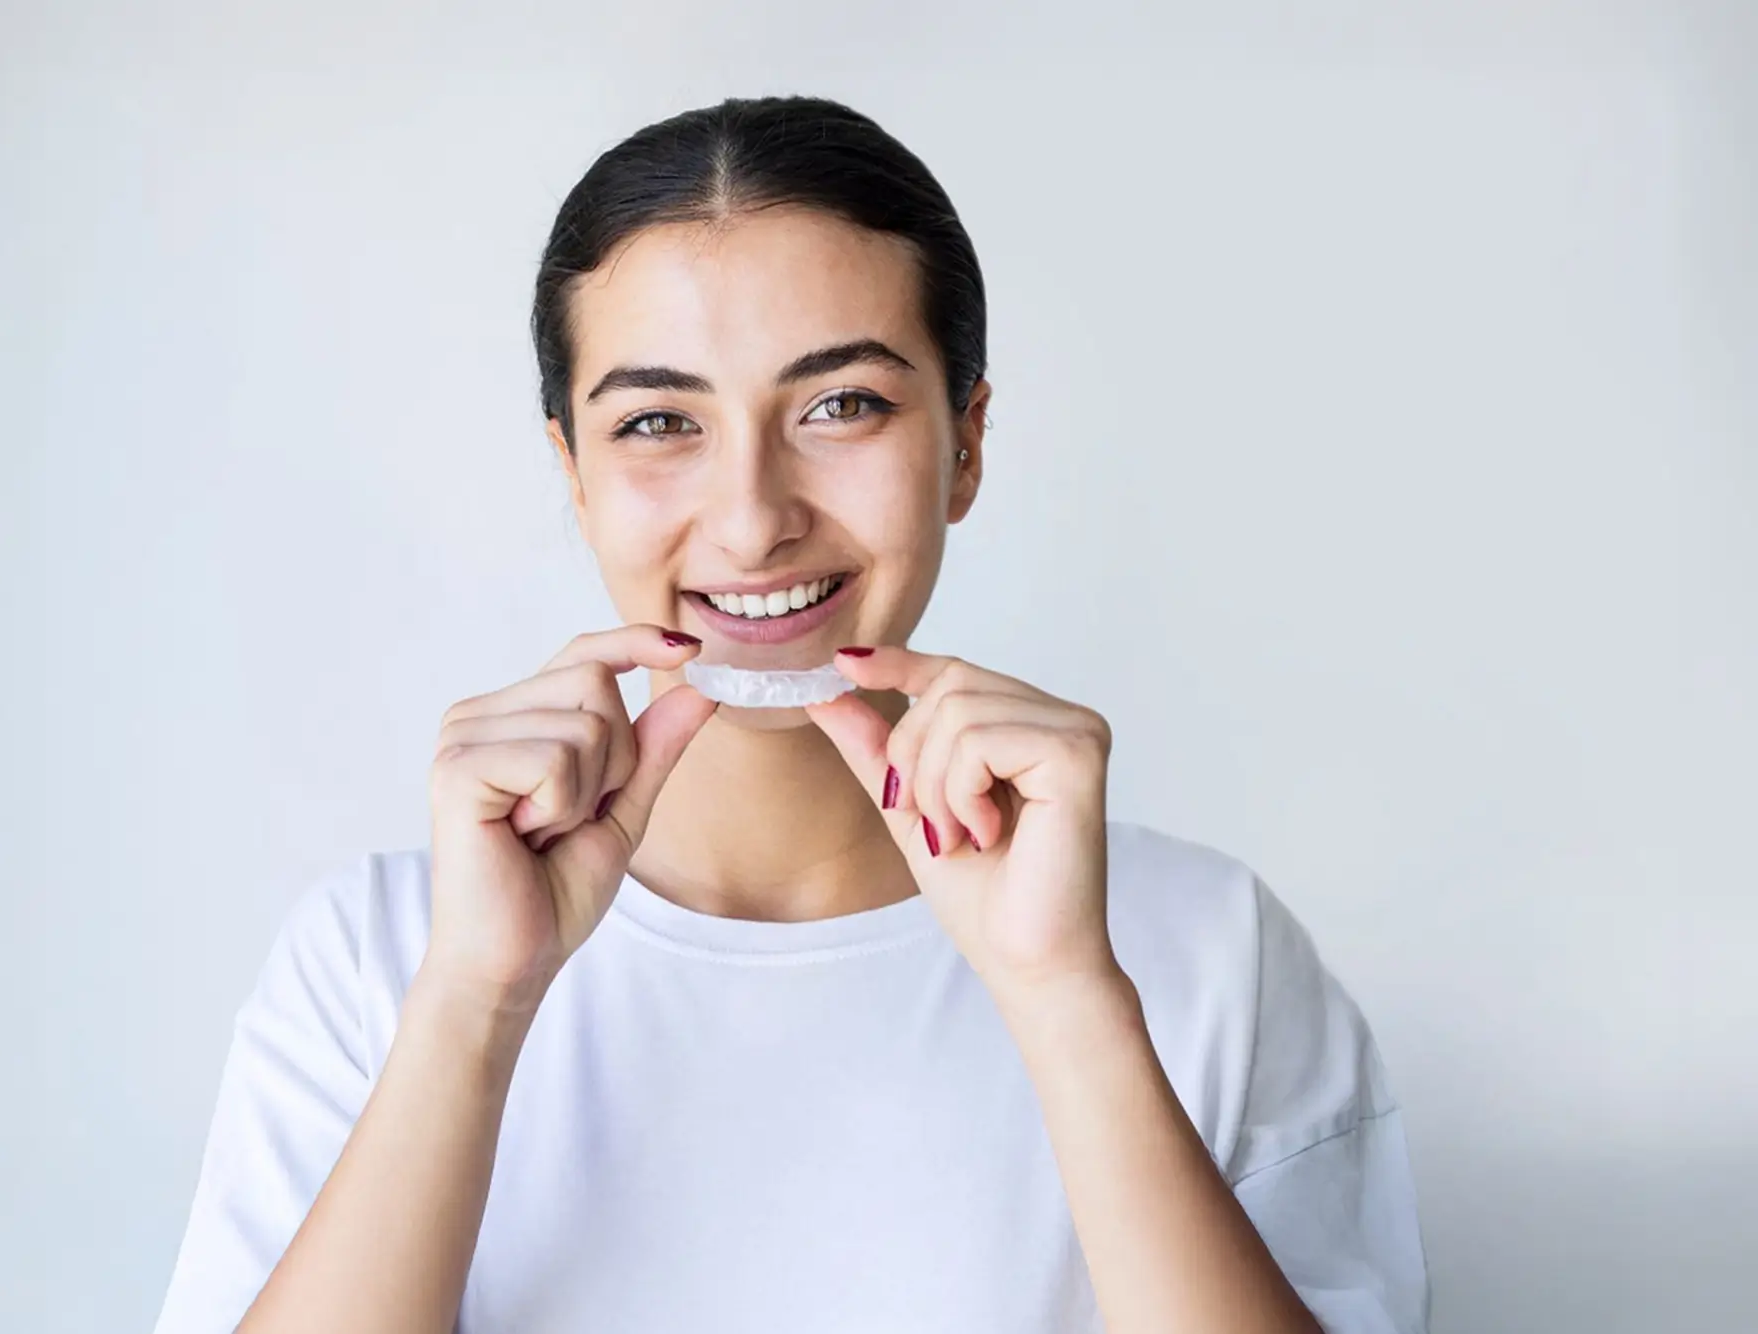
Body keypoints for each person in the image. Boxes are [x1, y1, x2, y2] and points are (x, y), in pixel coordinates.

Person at [152, 94, 1430, 1334]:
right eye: (659, 421)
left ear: (965, 442)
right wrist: (473, 1007)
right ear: (573, 475)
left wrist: (1063, 997)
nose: (752, 518)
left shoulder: (1210, 954)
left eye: (840, 405)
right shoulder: (378, 961)